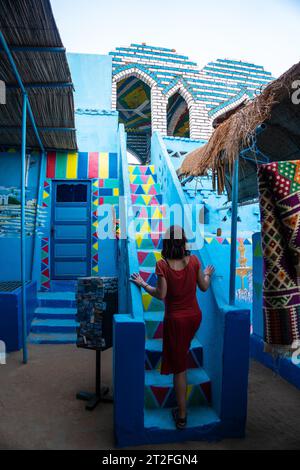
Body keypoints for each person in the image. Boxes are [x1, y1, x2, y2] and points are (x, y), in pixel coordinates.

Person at [130, 225, 214, 430]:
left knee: (179, 369)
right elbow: (203, 287)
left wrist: (142, 284)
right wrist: (208, 274)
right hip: (194, 317)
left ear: (166, 243)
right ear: (183, 241)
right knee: (181, 354)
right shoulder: (194, 261)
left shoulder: (162, 265)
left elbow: (161, 295)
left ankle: (182, 416)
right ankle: (182, 407)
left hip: (176, 321)